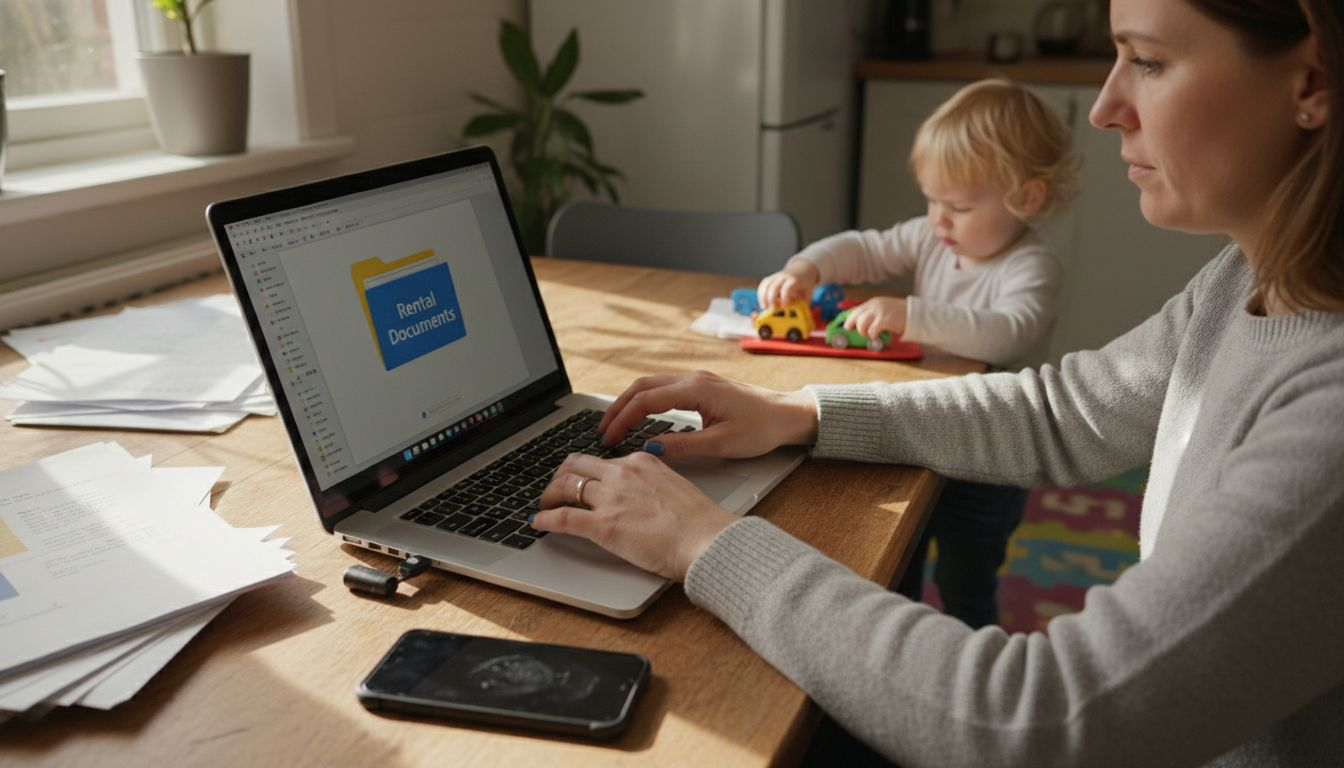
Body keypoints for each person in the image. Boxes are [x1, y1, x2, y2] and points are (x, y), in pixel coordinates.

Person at [531, 0, 1344, 764]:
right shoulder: (1242, 279)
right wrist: (798, 411)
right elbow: (1065, 411)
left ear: (1310, 81)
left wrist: (702, 541)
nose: (1104, 106)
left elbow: (1041, 721)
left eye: (1149, 60)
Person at [758, 78, 1078, 628]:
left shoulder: (1032, 266)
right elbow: (866, 247)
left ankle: (973, 653)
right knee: (896, 557)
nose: (938, 220)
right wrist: (806, 268)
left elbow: (1009, 334)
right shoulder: (935, 237)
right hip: (927, 434)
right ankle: (900, 640)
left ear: (1027, 199)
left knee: (966, 582)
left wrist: (912, 314)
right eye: (931, 200)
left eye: (957, 205)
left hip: (992, 460)